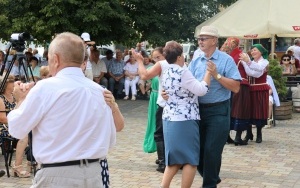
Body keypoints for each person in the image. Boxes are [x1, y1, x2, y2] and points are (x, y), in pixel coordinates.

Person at [8, 32, 123, 187]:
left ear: (56, 59)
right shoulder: (99, 91)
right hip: (94, 174)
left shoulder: (46, 88)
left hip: (57, 175)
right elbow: (110, 139)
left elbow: (16, 129)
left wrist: (21, 99)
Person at [189, 26, 241, 188]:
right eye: (199, 38)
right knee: (196, 153)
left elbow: (236, 87)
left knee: (212, 150)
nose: (200, 41)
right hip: (197, 111)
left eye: (204, 38)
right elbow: (188, 84)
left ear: (214, 41)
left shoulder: (226, 60)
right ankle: (212, 176)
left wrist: (216, 75)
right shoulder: (196, 60)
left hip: (219, 111)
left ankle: (209, 184)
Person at [160, 41, 211, 188]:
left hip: (169, 118)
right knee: (191, 159)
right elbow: (201, 90)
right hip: (185, 119)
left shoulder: (166, 70)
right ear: (179, 57)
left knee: (174, 159)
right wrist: (208, 73)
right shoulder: (182, 71)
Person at [132, 46, 168, 173]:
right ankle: (164, 159)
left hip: (163, 102)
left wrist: (139, 61)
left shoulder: (163, 66)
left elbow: (144, 75)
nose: (156, 60)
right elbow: (144, 78)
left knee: (160, 132)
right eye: (154, 58)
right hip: (157, 98)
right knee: (159, 129)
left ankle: (164, 161)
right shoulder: (171, 66)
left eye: (159, 57)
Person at [0, 75, 30, 178]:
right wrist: (17, 121)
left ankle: (30, 162)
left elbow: (20, 113)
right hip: (3, 127)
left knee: (34, 131)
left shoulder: (14, 97)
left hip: (14, 124)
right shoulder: (1, 99)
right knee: (24, 136)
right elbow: (2, 119)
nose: (14, 83)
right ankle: (17, 166)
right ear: (5, 85)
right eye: (11, 82)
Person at [240, 44, 270, 144]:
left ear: (261, 52)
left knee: (259, 112)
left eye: (255, 50)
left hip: (260, 89)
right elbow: (250, 71)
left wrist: (246, 62)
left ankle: (259, 133)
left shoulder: (265, 62)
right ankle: (249, 133)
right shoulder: (251, 62)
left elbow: (256, 73)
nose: (253, 52)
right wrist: (246, 62)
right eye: (252, 50)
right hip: (250, 89)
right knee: (249, 111)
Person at [224, 37, 251, 146]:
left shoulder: (228, 56)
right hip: (241, 85)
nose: (227, 44)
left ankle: (228, 136)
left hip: (229, 84)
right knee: (240, 110)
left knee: (230, 109)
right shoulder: (241, 55)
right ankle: (237, 137)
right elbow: (249, 72)